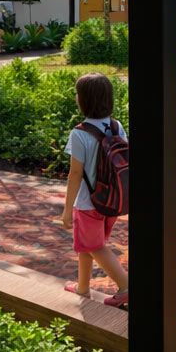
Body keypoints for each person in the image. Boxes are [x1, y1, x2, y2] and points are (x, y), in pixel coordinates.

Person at [59, 72, 130, 307]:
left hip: (88, 204)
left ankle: (126, 287)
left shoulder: (79, 133)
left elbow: (75, 175)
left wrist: (67, 210)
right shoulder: (116, 126)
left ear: (83, 100)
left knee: (94, 247)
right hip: (111, 201)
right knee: (86, 245)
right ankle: (83, 287)